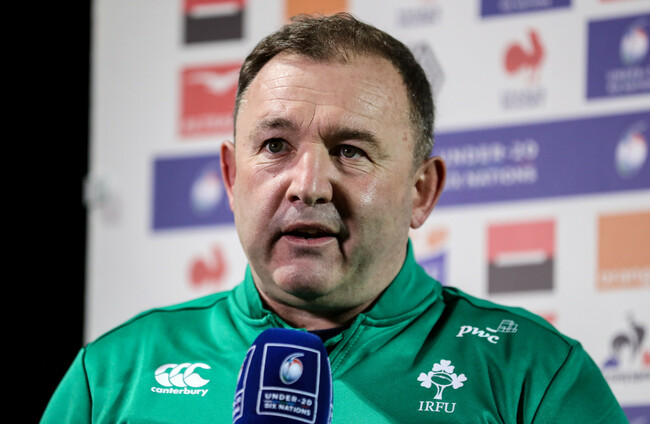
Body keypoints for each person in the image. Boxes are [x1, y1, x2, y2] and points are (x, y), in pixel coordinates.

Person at [41, 13, 627, 423]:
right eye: (275, 146)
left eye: (350, 151)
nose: (308, 185)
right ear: (231, 177)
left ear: (421, 191)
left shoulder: (536, 376)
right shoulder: (112, 376)